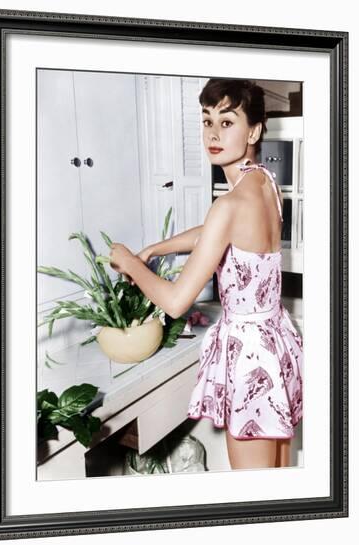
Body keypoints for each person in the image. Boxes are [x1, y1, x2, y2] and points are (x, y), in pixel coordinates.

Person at [109, 78, 303, 470]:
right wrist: (156, 248)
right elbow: (213, 234)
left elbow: (177, 300)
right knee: (278, 481)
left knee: (253, 504)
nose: (213, 134)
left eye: (227, 122)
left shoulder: (229, 205)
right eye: (206, 120)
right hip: (275, 342)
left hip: (251, 360)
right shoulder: (264, 183)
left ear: (254, 129)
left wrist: (130, 262)